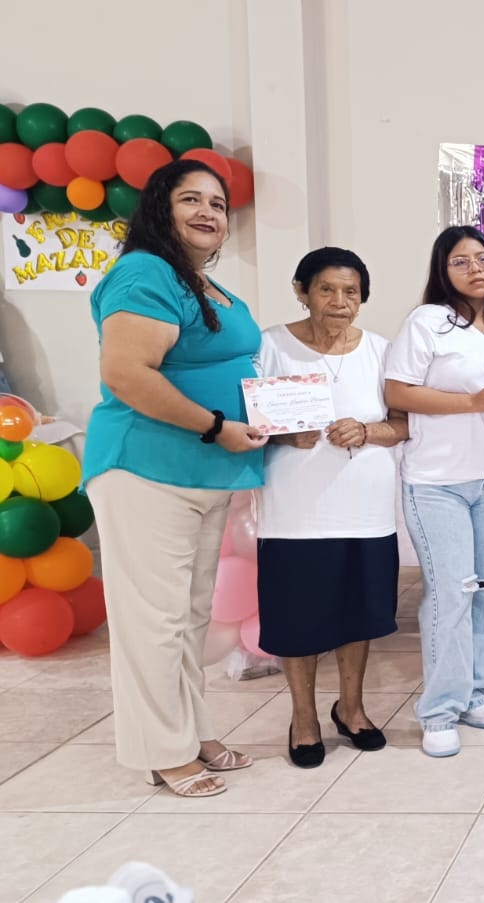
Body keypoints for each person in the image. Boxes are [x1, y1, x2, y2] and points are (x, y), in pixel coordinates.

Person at [83, 159, 267, 797]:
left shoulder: (200, 282)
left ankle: (193, 732)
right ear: (160, 208)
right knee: (153, 621)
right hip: (147, 468)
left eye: (217, 203)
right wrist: (216, 425)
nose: (207, 212)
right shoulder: (144, 272)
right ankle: (163, 751)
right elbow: (127, 373)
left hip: (203, 473)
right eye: (191, 199)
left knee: (189, 619)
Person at [257, 247, 410, 767]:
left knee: (359, 614)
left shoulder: (382, 351)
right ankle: (303, 718)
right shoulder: (269, 346)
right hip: (294, 515)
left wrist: (367, 430)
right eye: (326, 289)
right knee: (297, 619)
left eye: (351, 292)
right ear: (302, 292)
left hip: (366, 512)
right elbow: (247, 422)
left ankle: (351, 707)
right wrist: (282, 436)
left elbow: (403, 425)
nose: (339, 301)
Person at [384, 225, 484, 759]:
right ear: (442, 271)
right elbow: (397, 391)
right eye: (460, 261)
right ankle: (439, 711)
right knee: (450, 595)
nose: (475, 269)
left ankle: (475, 692)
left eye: (483, 259)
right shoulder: (427, 321)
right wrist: (470, 403)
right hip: (438, 482)